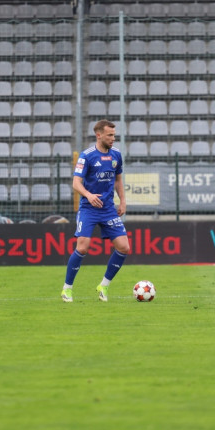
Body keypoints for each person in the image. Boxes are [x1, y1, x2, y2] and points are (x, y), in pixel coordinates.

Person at [61, 119, 130, 302]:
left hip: (108, 209)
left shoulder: (116, 155)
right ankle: (67, 289)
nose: (113, 138)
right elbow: (76, 183)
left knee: (124, 247)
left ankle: (104, 286)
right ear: (98, 135)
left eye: (114, 135)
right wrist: (89, 195)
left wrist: (122, 201)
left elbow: (118, 180)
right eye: (109, 135)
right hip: (89, 208)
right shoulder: (87, 156)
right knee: (82, 247)